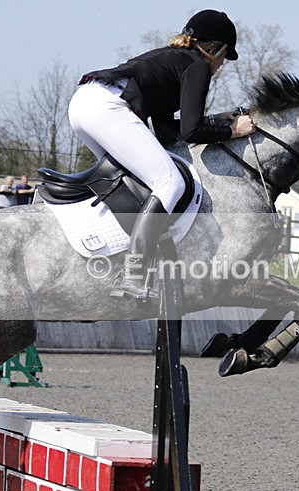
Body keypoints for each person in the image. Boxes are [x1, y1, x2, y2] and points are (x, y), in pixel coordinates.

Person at [68, 9, 256, 299]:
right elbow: (192, 132)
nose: (221, 65)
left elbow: (170, 132)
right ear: (216, 49)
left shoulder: (173, 59)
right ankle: (133, 275)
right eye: (224, 57)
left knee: (131, 182)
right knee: (171, 183)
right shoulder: (198, 67)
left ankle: (105, 250)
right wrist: (233, 131)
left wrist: (219, 119)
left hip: (84, 104)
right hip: (107, 109)